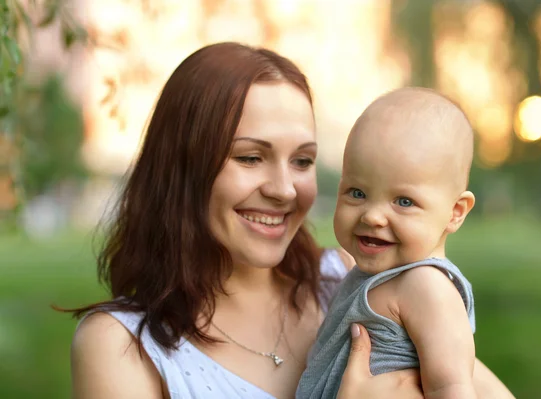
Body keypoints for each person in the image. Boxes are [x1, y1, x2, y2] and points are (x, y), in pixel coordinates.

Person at [69, 43, 511, 399]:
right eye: (250, 157)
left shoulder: (349, 280)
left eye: (302, 161)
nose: (284, 189)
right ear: (181, 167)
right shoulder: (121, 346)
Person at [297, 88, 513, 399]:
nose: (372, 216)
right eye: (357, 193)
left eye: (403, 201)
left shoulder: (427, 287)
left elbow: (451, 388)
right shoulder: (371, 276)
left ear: (455, 212)